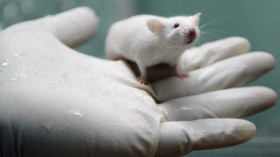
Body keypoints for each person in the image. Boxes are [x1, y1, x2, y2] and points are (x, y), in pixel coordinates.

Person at [0, 7, 277, 157]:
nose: (190, 30)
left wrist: (177, 67)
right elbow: (141, 56)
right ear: (157, 29)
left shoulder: (177, 44)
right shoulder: (150, 39)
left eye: (191, 26)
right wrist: (142, 73)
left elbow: (178, 55)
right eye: (178, 27)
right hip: (124, 47)